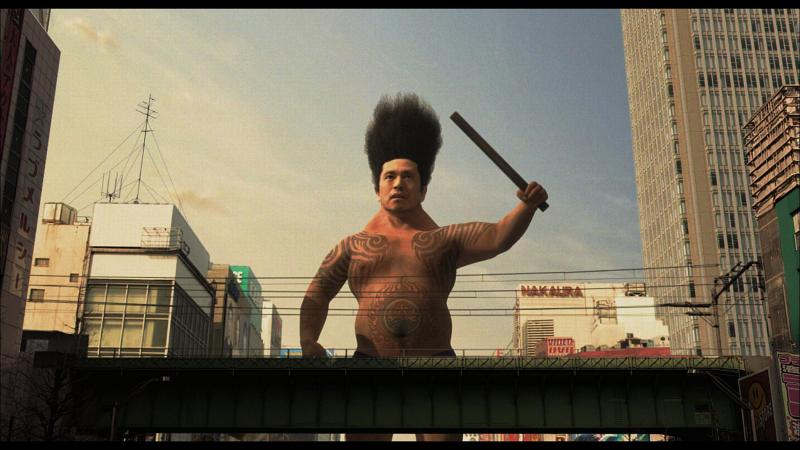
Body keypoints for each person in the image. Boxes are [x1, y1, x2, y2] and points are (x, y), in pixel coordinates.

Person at [299, 93, 548, 442]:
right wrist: (308, 340)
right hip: (371, 363)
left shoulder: (444, 240)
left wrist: (526, 206)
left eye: (407, 176)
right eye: (389, 176)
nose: (398, 183)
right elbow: (317, 294)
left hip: (436, 364)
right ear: (377, 189)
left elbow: (497, 237)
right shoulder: (353, 246)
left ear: (423, 188)